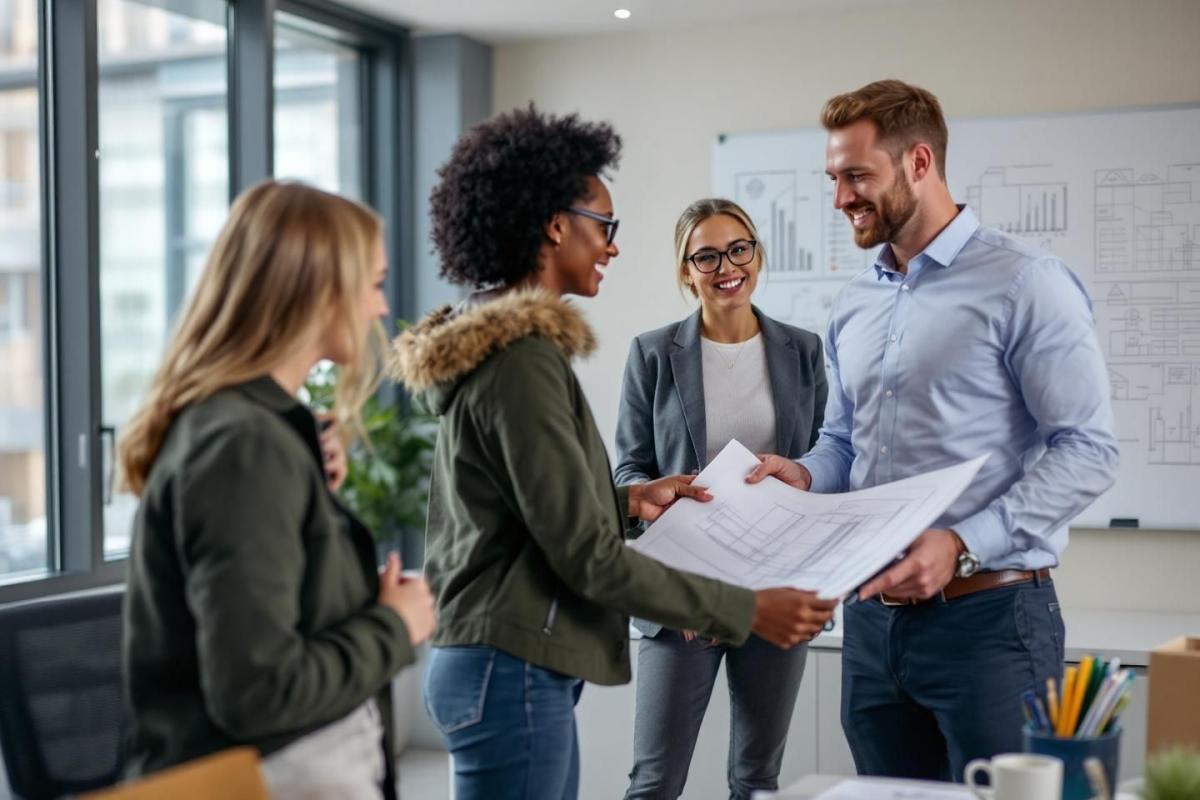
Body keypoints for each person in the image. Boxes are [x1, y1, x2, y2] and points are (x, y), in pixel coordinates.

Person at [389, 106, 837, 800]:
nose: (613, 246)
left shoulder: (507, 349)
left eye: (741, 249)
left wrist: (629, 500)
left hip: (504, 662)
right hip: (509, 663)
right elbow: (586, 555)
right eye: (606, 226)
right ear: (556, 224)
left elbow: (537, 510)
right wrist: (745, 610)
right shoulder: (521, 360)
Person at [746, 80, 1119, 782]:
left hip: (992, 622)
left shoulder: (1025, 283)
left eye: (858, 176)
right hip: (871, 629)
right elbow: (843, 445)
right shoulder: (854, 303)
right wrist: (799, 473)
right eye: (833, 178)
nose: (840, 199)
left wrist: (961, 546)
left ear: (920, 163)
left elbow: (1090, 451)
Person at [118, 180, 436, 800]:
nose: (379, 308)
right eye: (372, 283)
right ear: (318, 292)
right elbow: (258, 692)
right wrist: (396, 625)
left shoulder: (258, 430)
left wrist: (352, 605)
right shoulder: (244, 445)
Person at [614, 198, 828, 800]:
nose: (726, 266)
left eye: (739, 248)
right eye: (705, 255)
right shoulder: (653, 353)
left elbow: (824, 458)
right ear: (686, 271)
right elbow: (630, 466)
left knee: (756, 779)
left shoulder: (803, 350)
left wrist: (802, 475)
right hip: (683, 591)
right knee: (654, 781)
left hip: (777, 583)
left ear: (757, 254)